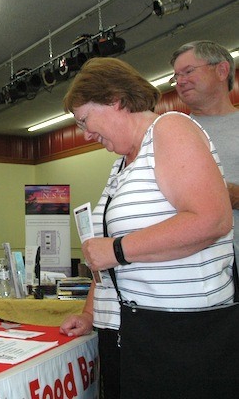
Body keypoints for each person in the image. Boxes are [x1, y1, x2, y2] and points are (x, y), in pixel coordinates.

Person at [58, 57, 234, 398]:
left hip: (176, 334)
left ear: (116, 100)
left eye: (85, 120)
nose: (85, 133)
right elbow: (104, 255)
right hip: (125, 330)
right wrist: (92, 312)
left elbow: (212, 219)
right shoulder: (121, 164)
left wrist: (118, 249)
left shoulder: (171, 129)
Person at [170, 41, 239, 270]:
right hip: (196, 273)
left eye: (188, 71)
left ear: (221, 70)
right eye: (176, 76)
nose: (180, 81)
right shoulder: (169, 133)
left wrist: (227, 195)